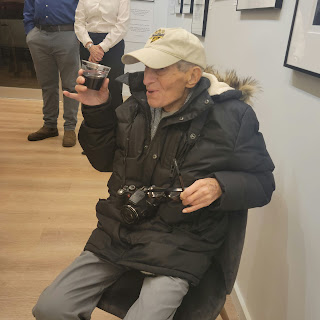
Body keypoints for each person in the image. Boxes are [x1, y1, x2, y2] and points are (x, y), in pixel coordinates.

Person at [32, 28, 275, 320]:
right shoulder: (136, 105)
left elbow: (263, 182)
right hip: (120, 231)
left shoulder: (232, 119)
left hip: (181, 241)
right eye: (147, 67)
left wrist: (220, 186)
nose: (147, 79)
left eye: (159, 70)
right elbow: (102, 161)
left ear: (192, 76)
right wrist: (96, 111)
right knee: (50, 308)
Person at [23, 0, 80, 147]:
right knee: (47, 84)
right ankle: (50, 125)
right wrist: (30, 33)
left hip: (67, 34)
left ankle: (69, 128)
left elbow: (83, 9)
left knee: (70, 85)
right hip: (39, 36)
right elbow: (28, 8)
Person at [74, 0, 130, 111]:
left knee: (113, 87)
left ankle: (115, 125)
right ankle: (91, 124)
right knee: (89, 88)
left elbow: (122, 25)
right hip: (88, 44)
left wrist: (101, 48)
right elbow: (79, 23)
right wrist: (90, 46)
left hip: (113, 44)